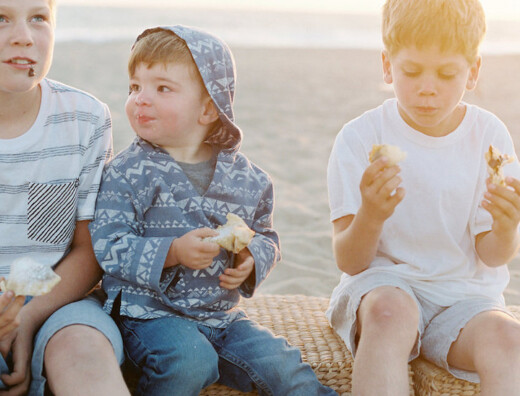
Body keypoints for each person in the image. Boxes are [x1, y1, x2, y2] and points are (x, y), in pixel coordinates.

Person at [89, 25, 337, 396]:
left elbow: (267, 236)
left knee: (283, 365)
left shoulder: (248, 180)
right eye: (135, 87)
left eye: (162, 88)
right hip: (148, 315)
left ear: (208, 108)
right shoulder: (127, 172)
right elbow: (108, 245)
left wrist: (252, 257)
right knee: (190, 361)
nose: (140, 98)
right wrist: (171, 252)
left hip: (221, 317)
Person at [0, 0, 130, 395]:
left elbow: (87, 251)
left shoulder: (85, 120)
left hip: (59, 306)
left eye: (39, 17)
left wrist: (30, 316)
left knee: (84, 351)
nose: (24, 35)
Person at [326, 0, 520, 394]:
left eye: (447, 74)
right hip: (385, 286)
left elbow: (493, 255)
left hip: (465, 298)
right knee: (389, 314)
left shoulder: (489, 136)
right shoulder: (361, 137)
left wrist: (506, 226)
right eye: (411, 71)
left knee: (509, 341)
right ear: (387, 66)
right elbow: (350, 259)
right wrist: (372, 215)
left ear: (473, 72)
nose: (427, 88)